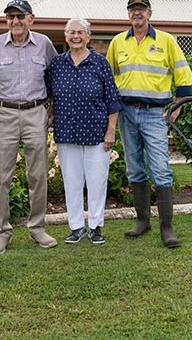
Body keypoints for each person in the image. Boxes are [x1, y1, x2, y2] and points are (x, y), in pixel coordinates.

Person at [106, 0, 192, 248]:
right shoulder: (117, 42)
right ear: (128, 14)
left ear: (149, 14)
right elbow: (108, 78)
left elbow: (183, 73)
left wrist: (178, 106)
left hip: (155, 114)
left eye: (142, 9)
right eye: (133, 9)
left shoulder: (166, 41)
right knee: (134, 168)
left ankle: (167, 228)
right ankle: (142, 222)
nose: (137, 13)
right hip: (126, 113)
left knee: (161, 169)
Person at [0, 0, 59, 254]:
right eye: (10, 17)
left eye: (20, 16)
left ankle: (37, 228)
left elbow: (55, 77)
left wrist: (51, 110)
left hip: (35, 114)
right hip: (3, 114)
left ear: (31, 19)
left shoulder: (44, 44)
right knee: (0, 176)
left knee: (38, 175)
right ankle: (1, 232)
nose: (15, 21)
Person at [46, 18, 123, 245]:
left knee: (97, 181)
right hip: (66, 132)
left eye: (80, 32)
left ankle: (96, 226)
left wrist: (111, 131)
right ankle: (76, 227)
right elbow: (50, 95)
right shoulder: (57, 64)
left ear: (88, 37)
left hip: (96, 132)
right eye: (71, 32)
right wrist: (50, 115)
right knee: (72, 181)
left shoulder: (100, 63)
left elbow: (112, 100)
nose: (76, 36)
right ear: (66, 36)